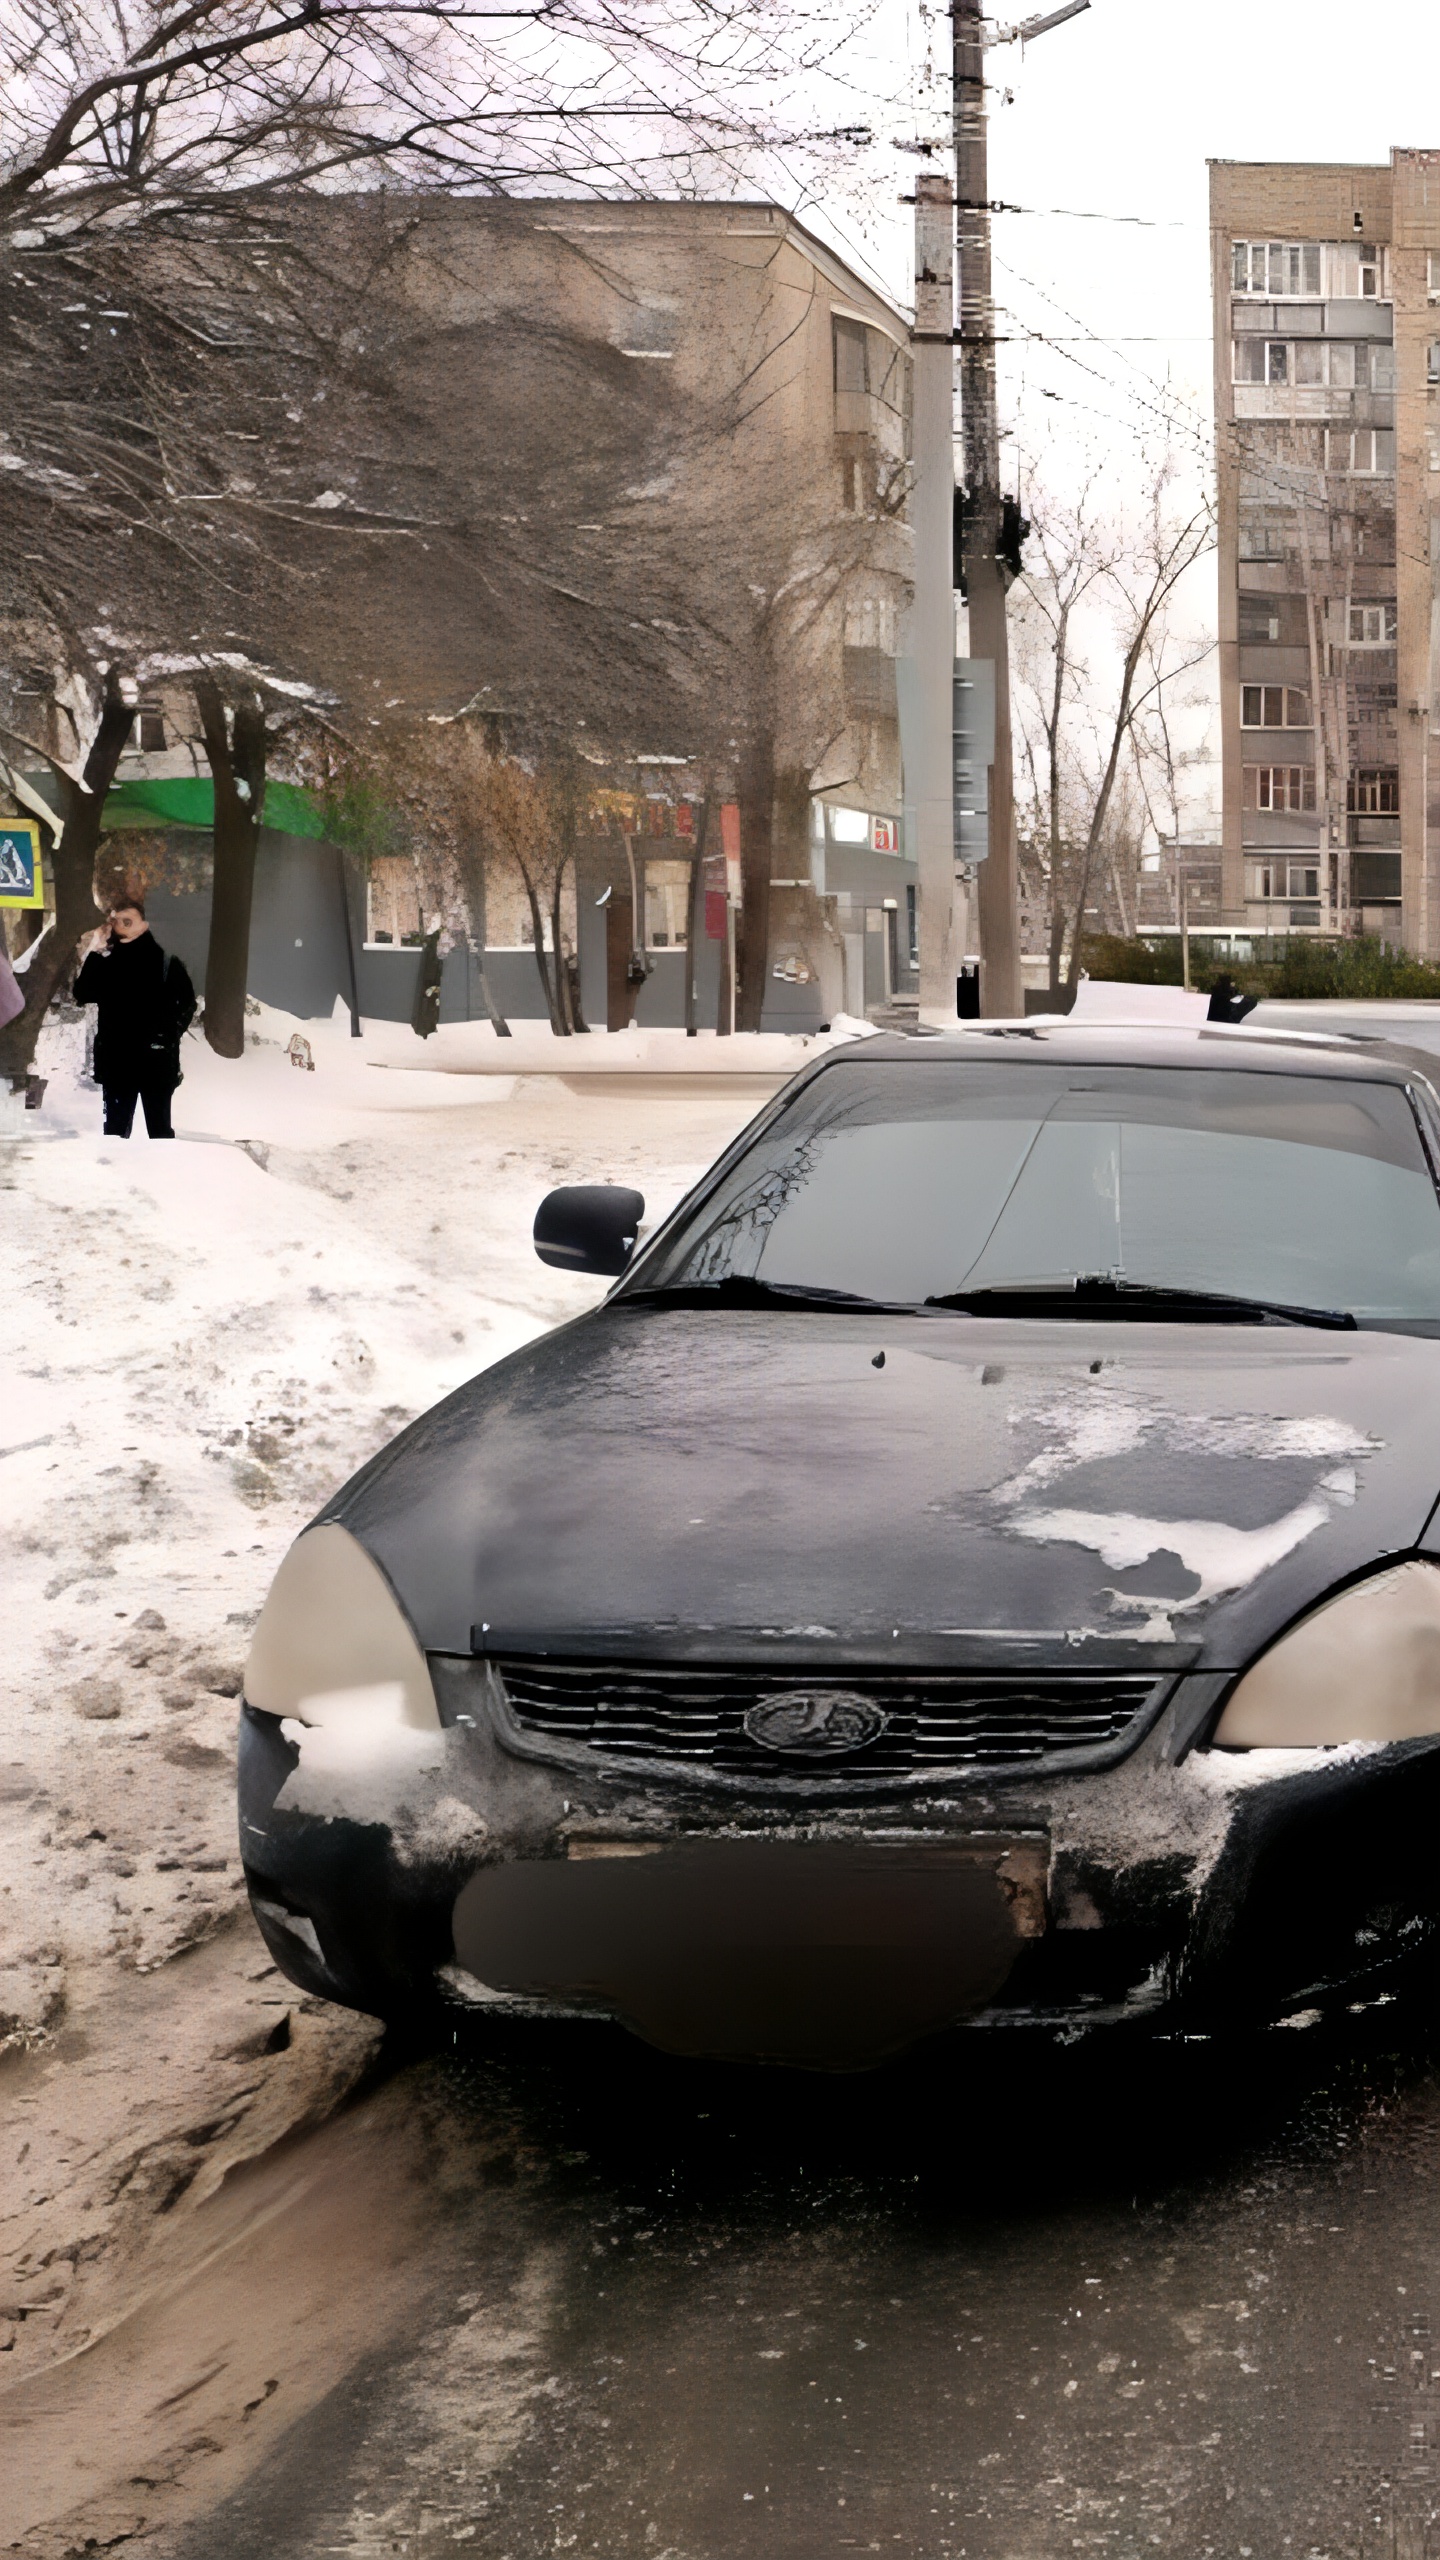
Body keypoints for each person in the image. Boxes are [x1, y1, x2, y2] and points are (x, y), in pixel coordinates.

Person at [73, 893, 196, 1139]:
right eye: (117, 921)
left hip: (156, 1062)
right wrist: (96, 951)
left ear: (145, 925)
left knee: (159, 1132)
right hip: (117, 1061)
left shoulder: (166, 963)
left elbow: (186, 1005)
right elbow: (82, 993)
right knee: (115, 1134)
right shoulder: (106, 963)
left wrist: (165, 1038)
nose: (121, 925)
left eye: (128, 920)